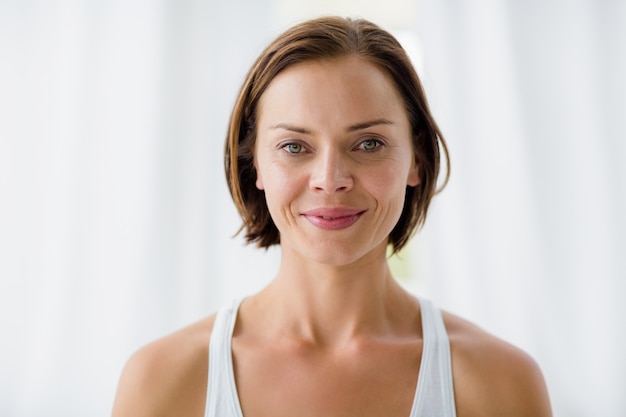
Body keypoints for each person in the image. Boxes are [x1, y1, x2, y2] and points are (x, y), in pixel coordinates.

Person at [111, 16, 552, 417]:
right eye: (294, 147)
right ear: (256, 165)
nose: (330, 179)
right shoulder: (162, 381)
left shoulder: (501, 384)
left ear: (416, 158)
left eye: (369, 144)